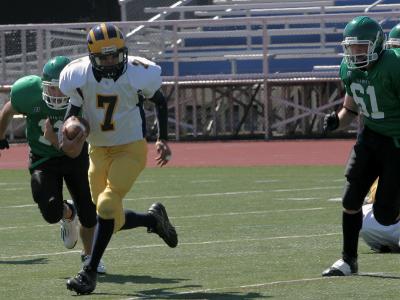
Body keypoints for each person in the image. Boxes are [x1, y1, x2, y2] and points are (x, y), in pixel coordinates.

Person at [59, 23, 178, 295]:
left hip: (130, 149)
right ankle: (153, 220)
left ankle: (89, 272)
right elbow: (72, 113)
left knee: (108, 204)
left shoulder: (136, 73)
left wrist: (162, 138)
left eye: (116, 55)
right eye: (105, 57)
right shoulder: (79, 77)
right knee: (110, 218)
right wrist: (69, 134)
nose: (111, 61)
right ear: (92, 58)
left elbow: (159, 101)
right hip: (97, 151)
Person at [0, 56, 106, 273]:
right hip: (43, 159)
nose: (57, 94)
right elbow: (8, 110)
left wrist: (54, 139)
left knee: (88, 210)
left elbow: (75, 148)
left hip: (75, 157)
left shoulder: (84, 96)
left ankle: (89, 256)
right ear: (42, 85)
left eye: (61, 89)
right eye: (51, 88)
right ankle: (68, 213)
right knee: (49, 211)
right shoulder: (28, 91)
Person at [322, 16, 400, 276]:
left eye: (361, 47)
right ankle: (348, 260)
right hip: (370, 138)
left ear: (377, 45)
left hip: (397, 143)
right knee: (350, 198)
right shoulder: (348, 68)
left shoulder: (394, 66)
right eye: (351, 47)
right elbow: (350, 108)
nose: (355, 53)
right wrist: (336, 121)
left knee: (386, 215)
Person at [360, 179, 400, 253]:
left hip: (370, 226)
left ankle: (382, 244)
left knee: (358, 210)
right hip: (394, 225)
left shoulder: (380, 175)